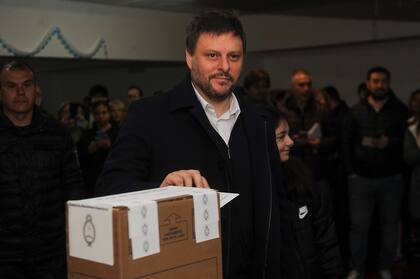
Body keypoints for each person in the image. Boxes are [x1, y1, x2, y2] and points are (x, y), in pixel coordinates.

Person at [96, 11, 283, 279]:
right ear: (189, 57)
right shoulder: (150, 116)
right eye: (212, 55)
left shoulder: (260, 122)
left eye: (233, 56)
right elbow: (108, 188)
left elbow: (274, 208)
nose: (224, 67)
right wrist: (161, 188)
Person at [0, 60, 85, 278]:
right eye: (11, 86)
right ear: (1, 91)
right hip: (6, 254)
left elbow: (73, 186)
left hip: (51, 253)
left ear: (35, 88)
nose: (20, 92)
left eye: (26, 85)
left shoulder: (57, 133)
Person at [343, 66, 409, 279]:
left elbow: (408, 143)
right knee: (359, 227)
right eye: (376, 81)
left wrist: (389, 142)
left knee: (390, 226)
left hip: (391, 178)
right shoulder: (355, 111)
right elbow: (346, 144)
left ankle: (385, 266)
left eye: (383, 81)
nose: (380, 85)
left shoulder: (399, 111)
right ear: (368, 83)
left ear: (388, 83)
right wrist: (350, 173)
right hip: (360, 179)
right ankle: (357, 268)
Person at [271, 109, 343, 278]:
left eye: (289, 135)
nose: (290, 142)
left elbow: (325, 237)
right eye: (281, 137)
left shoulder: (302, 175)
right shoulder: (255, 188)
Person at [280, 70, 337, 184]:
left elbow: (334, 138)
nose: (306, 89)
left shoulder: (321, 109)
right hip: (292, 169)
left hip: (318, 170)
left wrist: (319, 143)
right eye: (301, 85)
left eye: (308, 85)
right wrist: (294, 141)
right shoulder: (283, 110)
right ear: (292, 87)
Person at [78, 101, 118, 197]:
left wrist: (110, 145)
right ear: (94, 115)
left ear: (109, 113)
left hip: (113, 177)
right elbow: (80, 157)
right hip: (94, 178)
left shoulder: (118, 132)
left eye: (104, 112)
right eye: (97, 113)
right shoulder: (87, 134)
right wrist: (90, 150)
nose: (101, 116)